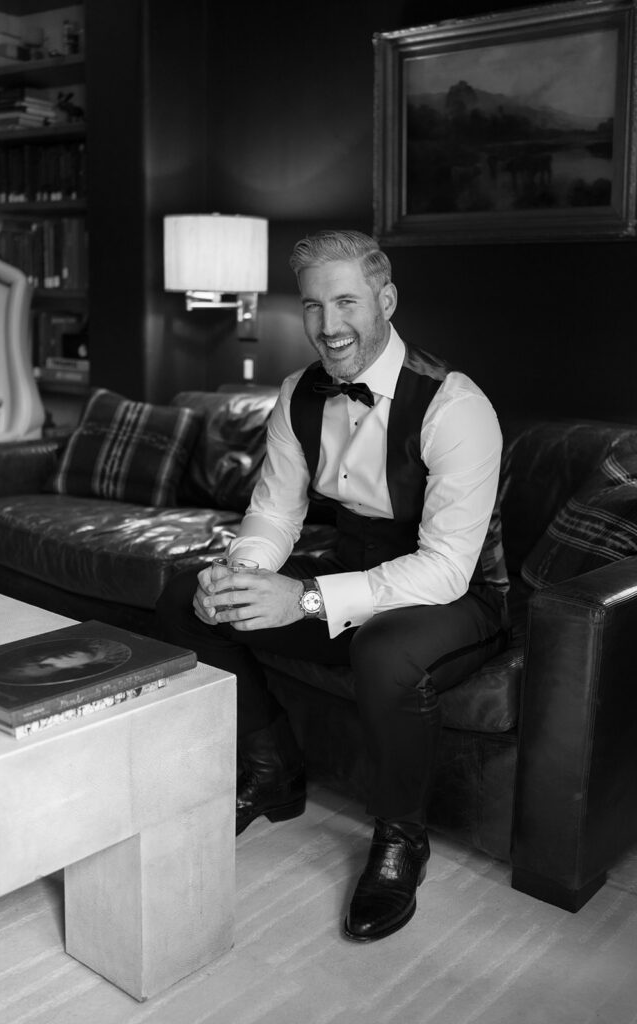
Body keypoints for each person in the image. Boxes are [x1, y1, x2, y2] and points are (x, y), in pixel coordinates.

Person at [156, 229, 509, 941]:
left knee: (383, 651)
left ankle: (400, 838)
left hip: (459, 590)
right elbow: (274, 511)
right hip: (356, 561)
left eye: (345, 301)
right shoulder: (297, 393)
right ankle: (272, 770)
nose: (327, 325)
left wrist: (308, 598)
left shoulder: (454, 406)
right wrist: (244, 574)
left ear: (385, 300)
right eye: (313, 305)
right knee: (189, 599)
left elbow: (444, 567)